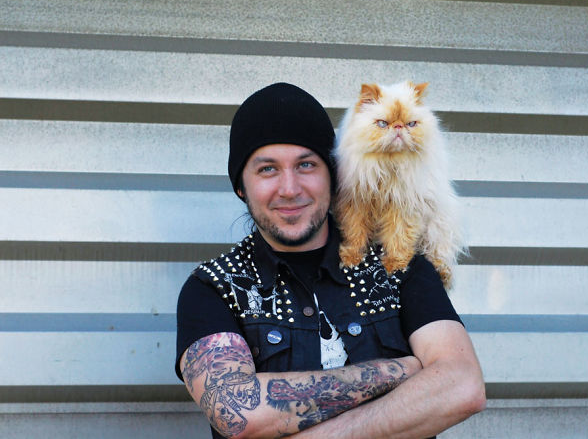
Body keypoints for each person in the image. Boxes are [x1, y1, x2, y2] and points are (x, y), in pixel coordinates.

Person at [175, 82, 485, 439]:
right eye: (267, 169)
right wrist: (401, 370)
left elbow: (463, 387)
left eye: (306, 165)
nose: (290, 189)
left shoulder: (397, 267)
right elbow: (237, 413)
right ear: (241, 187)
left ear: (333, 175)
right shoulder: (214, 287)